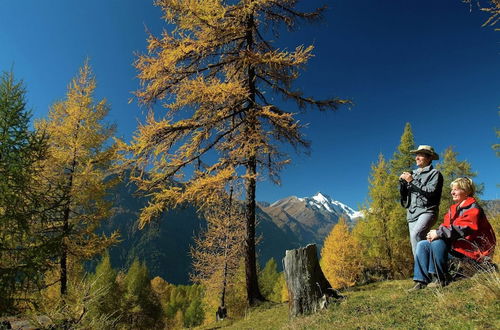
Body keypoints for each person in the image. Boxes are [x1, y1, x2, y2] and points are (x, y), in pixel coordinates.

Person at [409, 177, 496, 290]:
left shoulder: (473, 208)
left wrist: (439, 233)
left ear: (466, 191)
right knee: (422, 244)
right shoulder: (453, 209)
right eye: (452, 189)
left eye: (456, 189)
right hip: (457, 248)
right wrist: (433, 234)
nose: (452, 192)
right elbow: (445, 227)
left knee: (438, 241)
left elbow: (464, 228)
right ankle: (421, 281)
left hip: (472, 251)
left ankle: (440, 278)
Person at [399, 145, 444, 256]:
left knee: (416, 235)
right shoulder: (412, 174)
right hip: (412, 213)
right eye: (416, 155)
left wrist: (412, 181)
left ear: (429, 158)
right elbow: (405, 197)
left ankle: (421, 272)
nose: (417, 158)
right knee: (416, 245)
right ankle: (426, 270)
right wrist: (402, 183)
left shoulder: (435, 174)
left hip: (427, 211)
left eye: (420, 155)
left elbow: (431, 192)